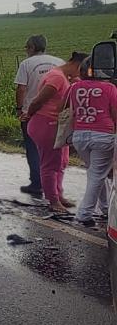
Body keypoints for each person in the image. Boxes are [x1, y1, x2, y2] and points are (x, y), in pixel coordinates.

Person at [22, 52, 87, 213]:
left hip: (58, 126)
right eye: (82, 69)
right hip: (46, 124)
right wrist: (28, 113)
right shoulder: (57, 77)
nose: (82, 73)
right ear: (77, 64)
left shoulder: (64, 76)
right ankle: (53, 200)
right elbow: (38, 100)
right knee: (50, 163)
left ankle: (58, 194)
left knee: (62, 161)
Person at [15, 35, 65, 197]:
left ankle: (37, 183)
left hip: (32, 112)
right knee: (57, 150)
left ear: (31, 47)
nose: (25, 50)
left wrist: (20, 108)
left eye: (26, 47)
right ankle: (56, 186)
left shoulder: (26, 64)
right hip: (57, 113)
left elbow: (21, 88)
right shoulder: (59, 62)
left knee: (33, 148)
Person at [69, 59, 117, 226]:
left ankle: (104, 207)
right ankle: (84, 213)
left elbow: (71, 111)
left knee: (96, 172)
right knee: (97, 174)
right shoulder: (109, 88)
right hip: (103, 135)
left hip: (80, 135)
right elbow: (114, 113)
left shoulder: (75, 87)